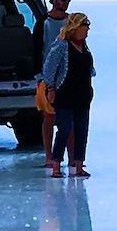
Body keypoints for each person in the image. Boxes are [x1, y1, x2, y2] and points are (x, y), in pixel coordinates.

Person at [41, 11, 95, 177]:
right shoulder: (61, 46)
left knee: (81, 130)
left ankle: (78, 165)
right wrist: (50, 89)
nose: (87, 30)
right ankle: (56, 163)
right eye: (85, 26)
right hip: (65, 95)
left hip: (83, 95)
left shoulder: (84, 47)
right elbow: (49, 70)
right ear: (76, 27)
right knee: (64, 129)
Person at [39, 0, 73, 158]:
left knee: (69, 120)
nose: (66, 2)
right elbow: (37, 49)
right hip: (48, 78)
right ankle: (48, 156)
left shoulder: (72, 23)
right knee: (49, 118)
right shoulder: (43, 23)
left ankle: (73, 157)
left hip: (70, 78)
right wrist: (41, 78)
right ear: (54, 0)